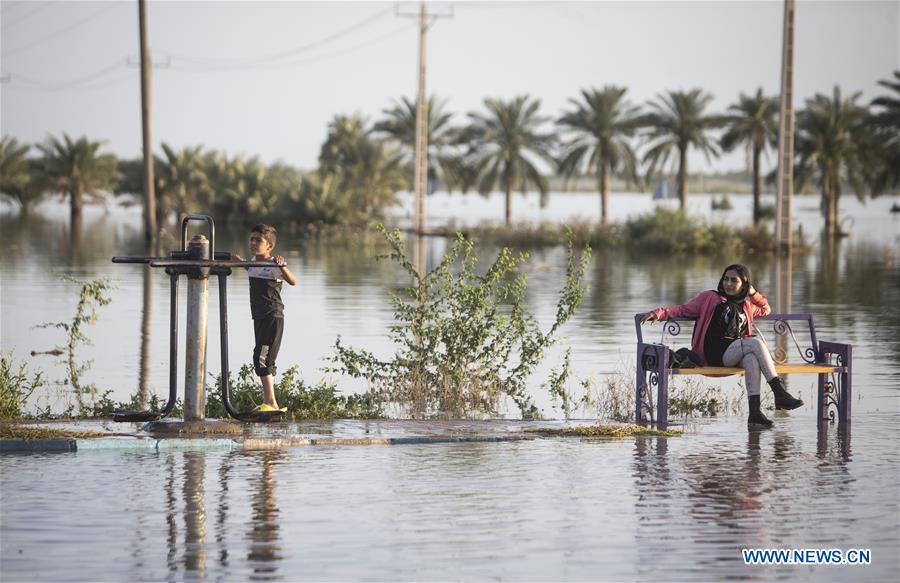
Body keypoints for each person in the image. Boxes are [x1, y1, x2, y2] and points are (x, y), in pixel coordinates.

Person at [639, 264, 803, 428]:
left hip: (733, 353)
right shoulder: (710, 298)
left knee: (752, 359)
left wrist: (752, 292)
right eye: (726, 279)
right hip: (713, 353)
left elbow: (765, 308)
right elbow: (682, 309)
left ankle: (754, 415)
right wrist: (658, 313)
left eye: (734, 280)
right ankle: (779, 392)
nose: (728, 283)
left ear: (744, 285)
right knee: (756, 343)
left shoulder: (747, 305)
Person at [233, 224, 297, 412]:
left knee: (262, 360)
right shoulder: (252, 263)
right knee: (263, 358)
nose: (252, 243)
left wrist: (282, 266)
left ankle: (271, 403)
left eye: (258, 240)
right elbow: (251, 269)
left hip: (272, 317)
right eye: (251, 239)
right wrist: (239, 262)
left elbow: (293, 281)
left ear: (269, 246)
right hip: (259, 318)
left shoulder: (274, 265)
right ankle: (269, 403)